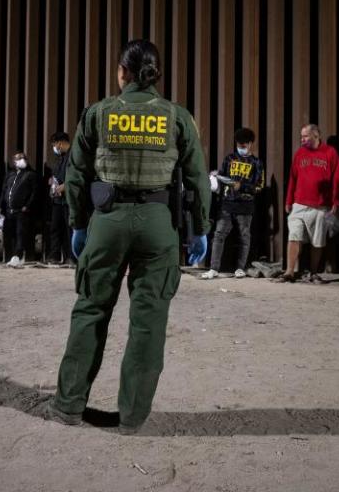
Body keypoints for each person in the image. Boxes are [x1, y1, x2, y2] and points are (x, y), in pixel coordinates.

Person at [46, 39, 210, 434]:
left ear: (122, 72)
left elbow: (77, 173)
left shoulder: (99, 112)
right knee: (148, 322)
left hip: (107, 219)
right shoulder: (177, 117)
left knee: (90, 310)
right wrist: (200, 228)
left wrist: (78, 223)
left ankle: (69, 405)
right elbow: (198, 179)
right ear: (157, 74)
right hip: (159, 224)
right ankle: (133, 417)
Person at [275, 124, 339, 284]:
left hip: (321, 205)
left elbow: (337, 178)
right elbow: (293, 177)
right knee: (293, 236)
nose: (302, 139)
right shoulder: (300, 153)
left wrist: (336, 200)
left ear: (316, 135)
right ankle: (289, 272)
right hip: (299, 204)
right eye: (301, 136)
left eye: (305, 136)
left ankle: (314, 272)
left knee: (317, 240)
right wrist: (288, 200)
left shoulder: (330, 152)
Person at [201, 127, 264, 279]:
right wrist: (215, 176)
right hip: (227, 203)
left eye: (243, 145)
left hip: (245, 205)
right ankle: (214, 268)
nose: (240, 148)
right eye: (238, 145)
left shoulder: (256, 163)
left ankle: (240, 268)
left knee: (244, 236)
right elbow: (222, 176)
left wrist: (241, 186)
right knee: (219, 234)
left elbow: (259, 186)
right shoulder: (229, 159)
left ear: (250, 144)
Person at [0, 151, 37, 267]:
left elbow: (34, 193)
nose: (20, 160)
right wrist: (0, 206)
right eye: (17, 158)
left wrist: (27, 206)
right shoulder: (10, 174)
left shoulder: (30, 174)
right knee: (8, 234)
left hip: (22, 211)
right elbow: (4, 190)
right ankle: (10, 257)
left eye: (22, 158)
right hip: (9, 210)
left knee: (20, 234)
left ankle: (18, 257)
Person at [47, 132, 73, 265]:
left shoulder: (74, 156)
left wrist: (66, 186)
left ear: (60, 143)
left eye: (54, 145)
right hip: (57, 200)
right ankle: (55, 256)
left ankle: (71, 257)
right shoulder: (60, 158)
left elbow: (78, 175)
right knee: (55, 228)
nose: (54, 148)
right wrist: (52, 181)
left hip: (69, 200)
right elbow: (57, 174)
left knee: (70, 229)